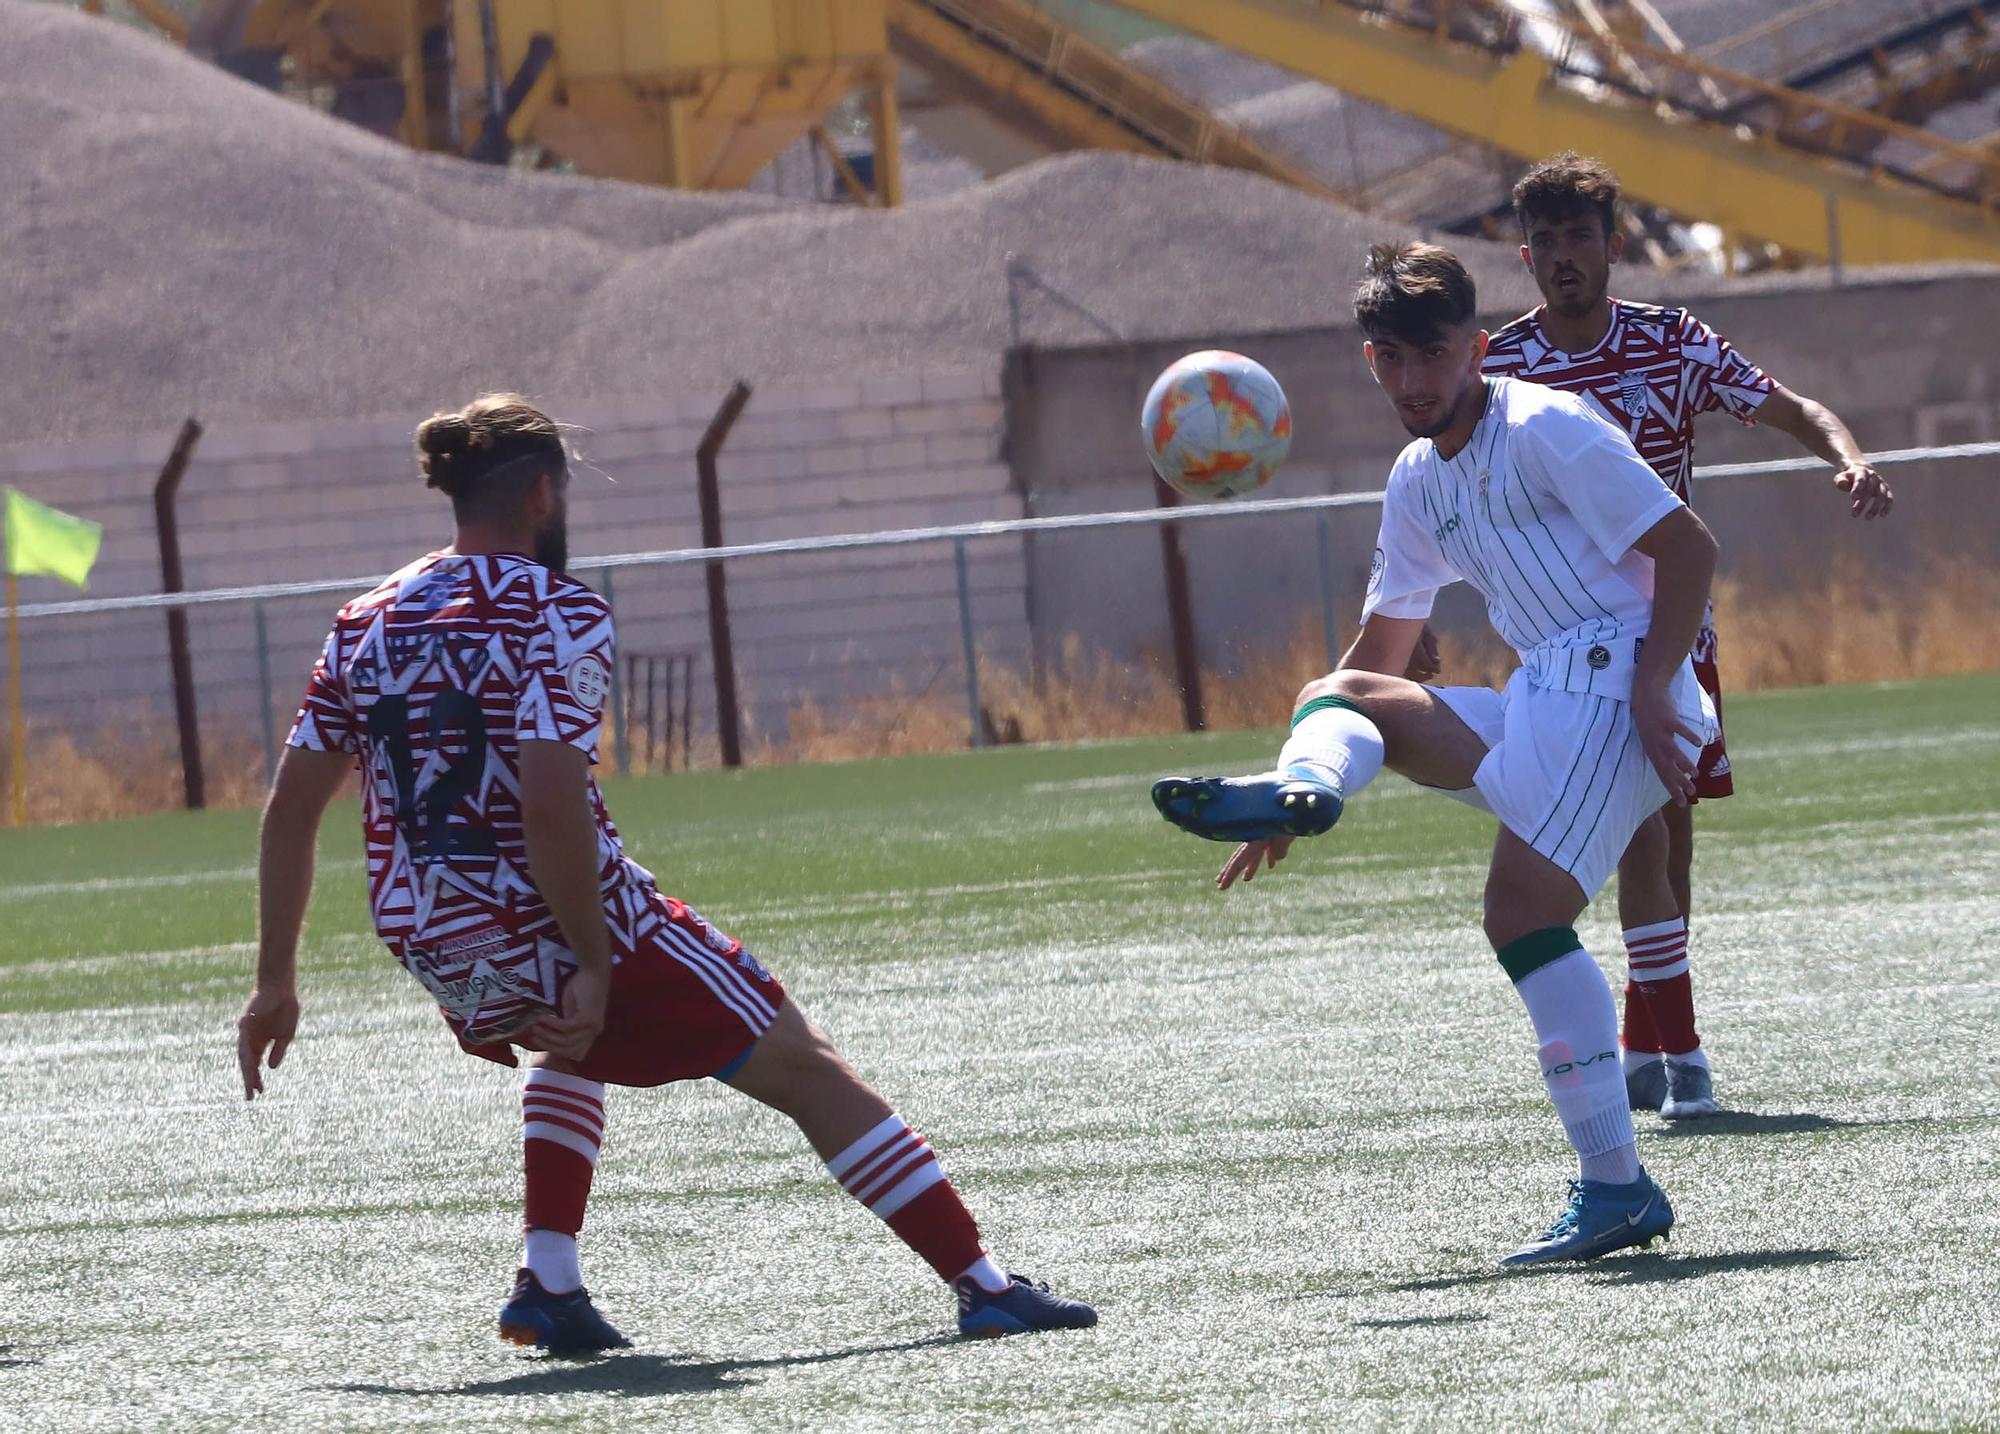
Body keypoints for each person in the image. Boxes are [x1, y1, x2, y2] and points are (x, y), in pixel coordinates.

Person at [236, 393, 1095, 1352]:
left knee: (571, 1040)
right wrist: (596, 958)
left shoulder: (364, 621)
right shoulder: (557, 610)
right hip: (552, 910)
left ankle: (550, 1281)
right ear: (541, 495)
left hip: (430, 932)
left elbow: (291, 812)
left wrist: (275, 981)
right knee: (803, 1063)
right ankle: (983, 1284)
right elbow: (549, 798)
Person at [1152, 242, 1719, 1265]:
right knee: (1332, 692)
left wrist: (1649, 687)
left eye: (1433, 355)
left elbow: (1688, 548)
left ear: (1477, 347)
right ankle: (1299, 793)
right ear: (1372, 361)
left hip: (1622, 684)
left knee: (1519, 914)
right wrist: (1300, 773)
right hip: (1549, 690)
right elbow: (1381, 661)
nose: (1414, 382)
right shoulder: (1415, 477)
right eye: (1391, 360)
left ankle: (1618, 1189)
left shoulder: (1544, 426)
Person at [1477, 152, 1893, 1120]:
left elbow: (1788, 407)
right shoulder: (1499, 368)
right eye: (1541, 242)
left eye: (1576, 237)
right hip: (1564, 633)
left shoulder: (1670, 342)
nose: (1559, 257)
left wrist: (1848, 458)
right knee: (1639, 827)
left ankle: (1643, 1044)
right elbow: (1451, 482)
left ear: (1611, 246)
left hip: (1672, 617)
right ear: (1526, 257)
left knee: (1671, 831)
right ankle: (1680, 1061)